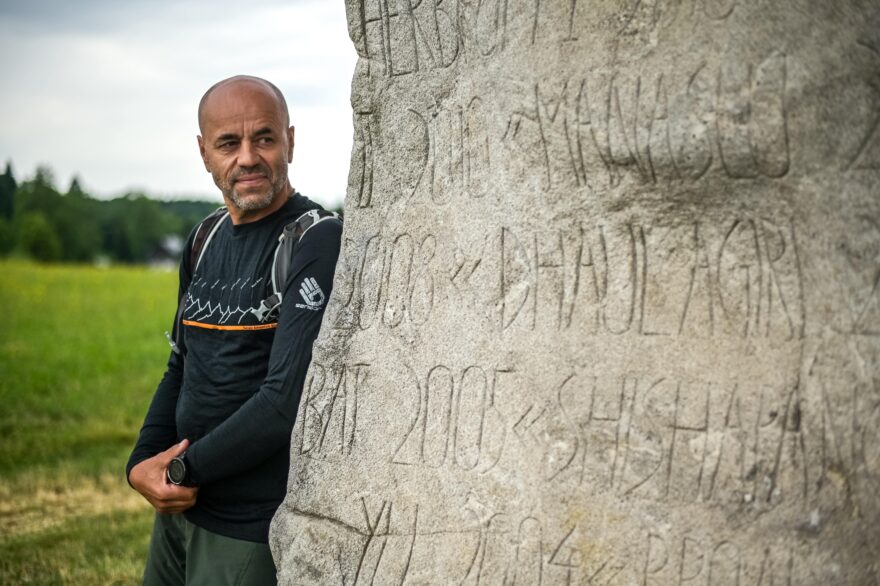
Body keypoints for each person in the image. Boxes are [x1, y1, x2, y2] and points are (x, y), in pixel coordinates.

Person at [126, 75, 342, 585]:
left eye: (264, 138)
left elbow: (283, 401)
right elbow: (180, 364)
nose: (248, 157)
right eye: (229, 143)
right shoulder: (205, 235)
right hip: (178, 513)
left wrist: (180, 471)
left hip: (249, 526)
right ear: (204, 153)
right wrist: (140, 465)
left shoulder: (315, 238)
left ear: (290, 139)